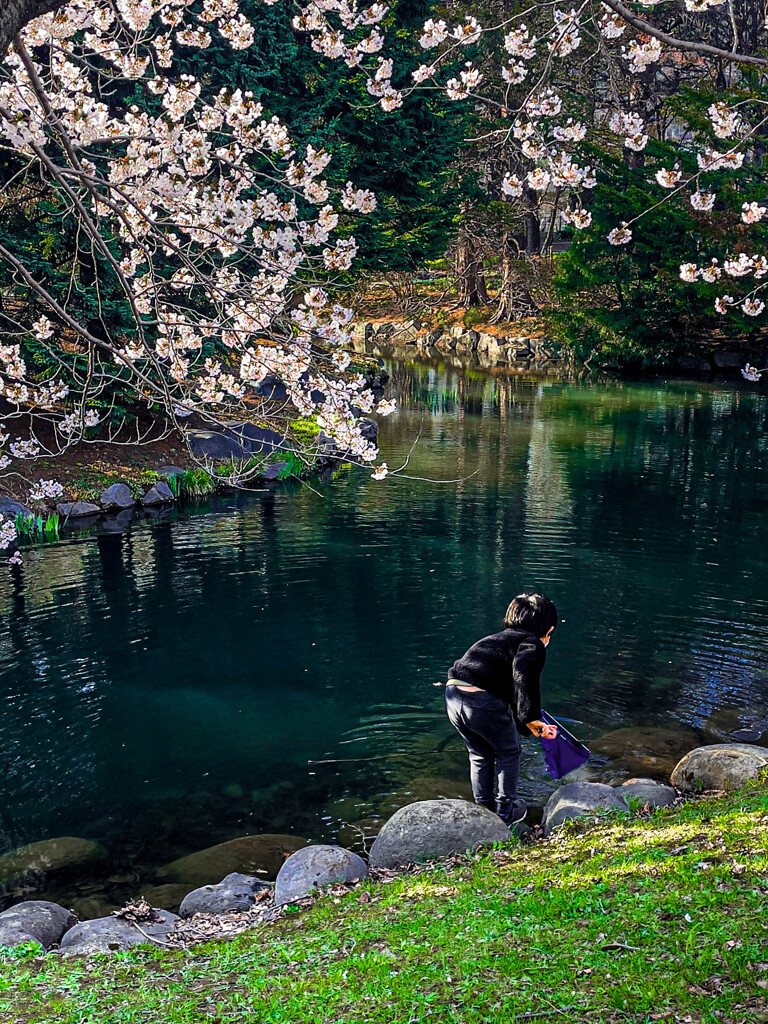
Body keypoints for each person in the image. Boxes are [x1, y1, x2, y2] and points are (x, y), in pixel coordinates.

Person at [445, 592, 559, 827]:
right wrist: (532, 717)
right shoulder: (532, 644)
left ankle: (484, 807)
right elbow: (523, 678)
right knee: (509, 753)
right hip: (481, 702)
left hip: (453, 694)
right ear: (548, 630)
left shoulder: (495, 640)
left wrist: (526, 723)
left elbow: (508, 693)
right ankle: (506, 811)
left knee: (479, 754)